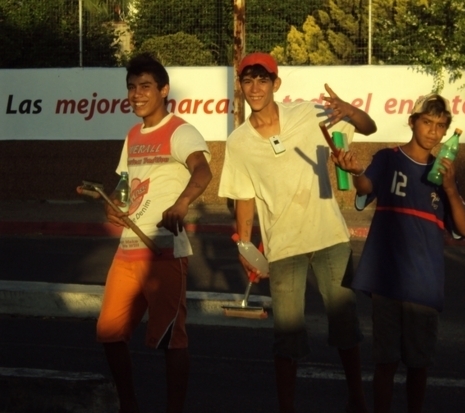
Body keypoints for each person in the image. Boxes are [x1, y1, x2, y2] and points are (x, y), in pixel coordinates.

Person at [218, 52, 377, 413]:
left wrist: (350, 110)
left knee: (344, 325)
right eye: (247, 80)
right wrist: (245, 247)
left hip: (329, 238)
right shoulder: (238, 142)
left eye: (262, 79)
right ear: (240, 86)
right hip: (283, 247)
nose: (255, 87)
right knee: (286, 337)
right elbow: (244, 200)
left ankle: (357, 398)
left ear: (276, 84)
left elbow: (367, 128)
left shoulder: (308, 114)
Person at [78, 53, 212, 413]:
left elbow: (202, 171)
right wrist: (113, 202)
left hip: (164, 249)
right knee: (109, 331)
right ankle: (129, 404)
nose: (137, 94)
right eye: (132, 87)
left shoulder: (180, 130)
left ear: (163, 90)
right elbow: (125, 183)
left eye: (145, 87)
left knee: (171, 339)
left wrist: (182, 204)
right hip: (128, 250)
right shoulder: (133, 135)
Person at [331, 93, 465, 413]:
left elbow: (463, 228)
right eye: (427, 122)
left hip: (424, 284)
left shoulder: (444, 173)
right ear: (412, 122)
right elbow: (366, 186)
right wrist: (354, 171)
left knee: (418, 364)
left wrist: (450, 189)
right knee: (385, 361)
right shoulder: (388, 158)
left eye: (441, 125)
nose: (433, 131)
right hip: (388, 280)